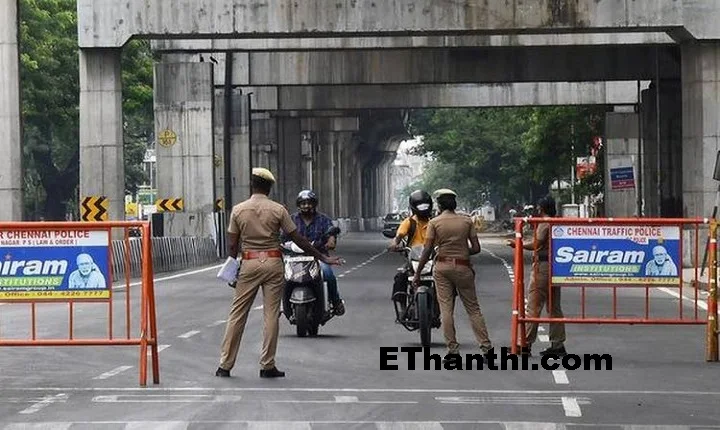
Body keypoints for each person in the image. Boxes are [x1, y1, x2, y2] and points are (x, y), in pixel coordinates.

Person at [215, 168, 343, 379]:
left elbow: (232, 245)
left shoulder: (238, 210)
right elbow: (298, 238)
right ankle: (267, 365)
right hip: (274, 262)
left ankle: (225, 365)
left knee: (237, 314)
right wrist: (323, 257)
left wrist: (233, 270)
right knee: (271, 315)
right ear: (269, 187)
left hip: (249, 262)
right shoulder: (278, 210)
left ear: (252, 185)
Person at [412, 189, 493, 358]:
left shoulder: (434, 223)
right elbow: (476, 248)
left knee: (446, 309)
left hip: (442, 268)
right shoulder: (466, 221)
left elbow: (426, 251)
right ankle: (486, 348)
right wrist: (462, 253)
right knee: (473, 309)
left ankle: (453, 351)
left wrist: (418, 273)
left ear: (439, 205)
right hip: (463, 268)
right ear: (455, 204)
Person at [506, 194, 566, 356]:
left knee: (533, 305)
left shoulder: (545, 224)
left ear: (542, 208)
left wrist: (518, 244)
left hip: (543, 267)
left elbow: (537, 244)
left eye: (539, 207)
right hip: (555, 267)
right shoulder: (556, 223)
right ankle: (557, 343)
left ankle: (524, 343)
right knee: (554, 307)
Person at [281, 189, 345, 318]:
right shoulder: (291, 219)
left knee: (328, 274)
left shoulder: (323, 219)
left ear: (314, 204)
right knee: (280, 277)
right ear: (299, 205)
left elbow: (331, 233)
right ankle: (279, 305)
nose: (306, 206)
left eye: (309, 203)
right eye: (303, 203)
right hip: (295, 258)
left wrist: (331, 240)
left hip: (318, 256)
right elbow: (283, 237)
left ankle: (335, 301)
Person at [388, 190, 433, 311]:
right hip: (413, 258)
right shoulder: (409, 222)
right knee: (400, 277)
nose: (423, 209)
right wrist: (394, 245)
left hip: (432, 258)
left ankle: (445, 307)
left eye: (425, 206)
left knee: (446, 278)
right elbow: (398, 237)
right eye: (420, 206)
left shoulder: (435, 222)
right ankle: (403, 307)